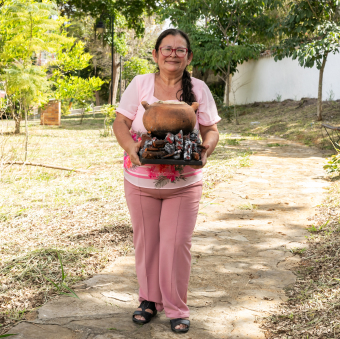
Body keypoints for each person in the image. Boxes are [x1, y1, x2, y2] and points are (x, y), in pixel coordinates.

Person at [113, 28, 220, 333]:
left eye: (180, 50)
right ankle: (148, 300)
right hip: (139, 179)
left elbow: (211, 130)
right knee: (146, 243)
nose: (173, 54)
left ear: (189, 57)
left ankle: (176, 308)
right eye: (167, 49)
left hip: (184, 182)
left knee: (176, 245)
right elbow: (120, 122)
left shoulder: (198, 89)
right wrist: (130, 147)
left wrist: (206, 148)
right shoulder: (140, 84)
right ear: (155, 54)